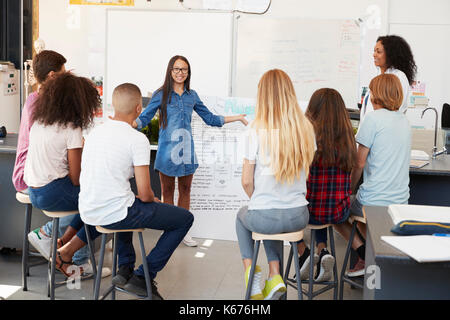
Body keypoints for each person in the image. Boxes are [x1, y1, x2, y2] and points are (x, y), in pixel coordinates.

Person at [55, 83, 194, 300]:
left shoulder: (94, 133)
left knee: (128, 202)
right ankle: (143, 276)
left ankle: (125, 269)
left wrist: (141, 199)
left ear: (113, 105)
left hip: (88, 210)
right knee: (184, 219)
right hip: (113, 213)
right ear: (139, 108)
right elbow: (146, 193)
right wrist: (152, 200)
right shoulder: (137, 139)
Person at [134, 55, 248, 247]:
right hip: (166, 153)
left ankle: (183, 231)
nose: (180, 73)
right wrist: (127, 124)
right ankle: (169, 230)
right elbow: (144, 118)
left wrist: (236, 118)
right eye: (177, 69)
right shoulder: (161, 94)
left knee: (186, 190)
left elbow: (210, 119)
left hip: (187, 152)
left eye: (184, 70)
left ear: (188, 73)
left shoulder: (192, 96)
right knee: (167, 191)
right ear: (170, 71)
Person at [236, 69, 316, 300]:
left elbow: (246, 181)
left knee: (248, 216)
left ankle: (251, 275)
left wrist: (259, 200)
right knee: (270, 217)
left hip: (266, 216)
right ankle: (275, 276)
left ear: (262, 95)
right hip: (299, 215)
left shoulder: (254, 130)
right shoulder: (305, 129)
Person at [14, 52, 90, 268]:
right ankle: (75, 258)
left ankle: (64, 246)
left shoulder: (43, 115)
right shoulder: (48, 113)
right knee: (94, 201)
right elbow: (75, 178)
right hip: (36, 181)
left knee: (87, 200)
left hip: (37, 181)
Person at [334, 73, 411, 277]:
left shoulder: (372, 119)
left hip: (373, 202)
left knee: (335, 210)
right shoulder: (404, 122)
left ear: (377, 94)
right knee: (358, 214)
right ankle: (373, 255)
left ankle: (366, 254)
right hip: (401, 201)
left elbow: (359, 162)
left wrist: (348, 189)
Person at [295, 88, 357, 282]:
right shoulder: (348, 140)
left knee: (294, 208)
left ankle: (304, 253)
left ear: (312, 109)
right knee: (323, 206)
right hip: (338, 211)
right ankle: (323, 251)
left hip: (310, 211)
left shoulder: (306, 139)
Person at [360, 35, 417, 121]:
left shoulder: (399, 77)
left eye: (378, 52)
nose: (374, 55)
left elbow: (396, 109)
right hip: (371, 128)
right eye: (374, 51)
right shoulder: (378, 77)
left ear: (390, 54)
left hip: (383, 130)